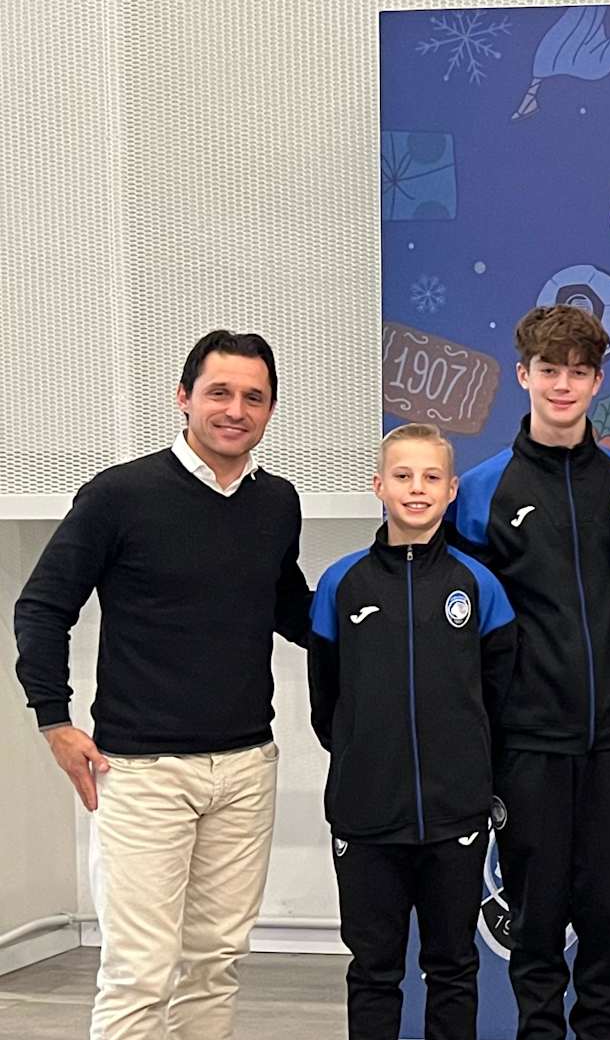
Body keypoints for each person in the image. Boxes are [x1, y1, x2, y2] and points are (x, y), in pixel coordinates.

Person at [13, 330, 311, 1040]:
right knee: (139, 973)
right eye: (219, 392)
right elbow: (43, 606)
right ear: (183, 398)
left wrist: (385, 622)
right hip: (141, 774)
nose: (235, 410)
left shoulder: (277, 502)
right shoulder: (119, 495)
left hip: (246, 768)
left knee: (216, 964)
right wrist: (54, 721)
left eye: (254, 397)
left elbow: (288, 606)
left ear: (271, 410)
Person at [447, 305, 610, 1040]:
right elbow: (461, 632)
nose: (562, 385)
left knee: (608, 917)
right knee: (535, 924)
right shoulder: (480, 492)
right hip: (527, 742)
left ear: (597, 382)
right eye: (549, 370)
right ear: (522, 375)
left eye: (578, 372)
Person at [309, 423, 515, 1040]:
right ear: (379, 485)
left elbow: (498, 698)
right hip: (366, 817)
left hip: (455, 817)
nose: (417, 489)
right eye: (403, 476)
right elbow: (327, 703)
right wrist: (362, 757)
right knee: (374, 970)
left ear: (452, 490)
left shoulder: (478, 585)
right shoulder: (341, 584)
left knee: (452, 967)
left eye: (431, 477)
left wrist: (465, 767)